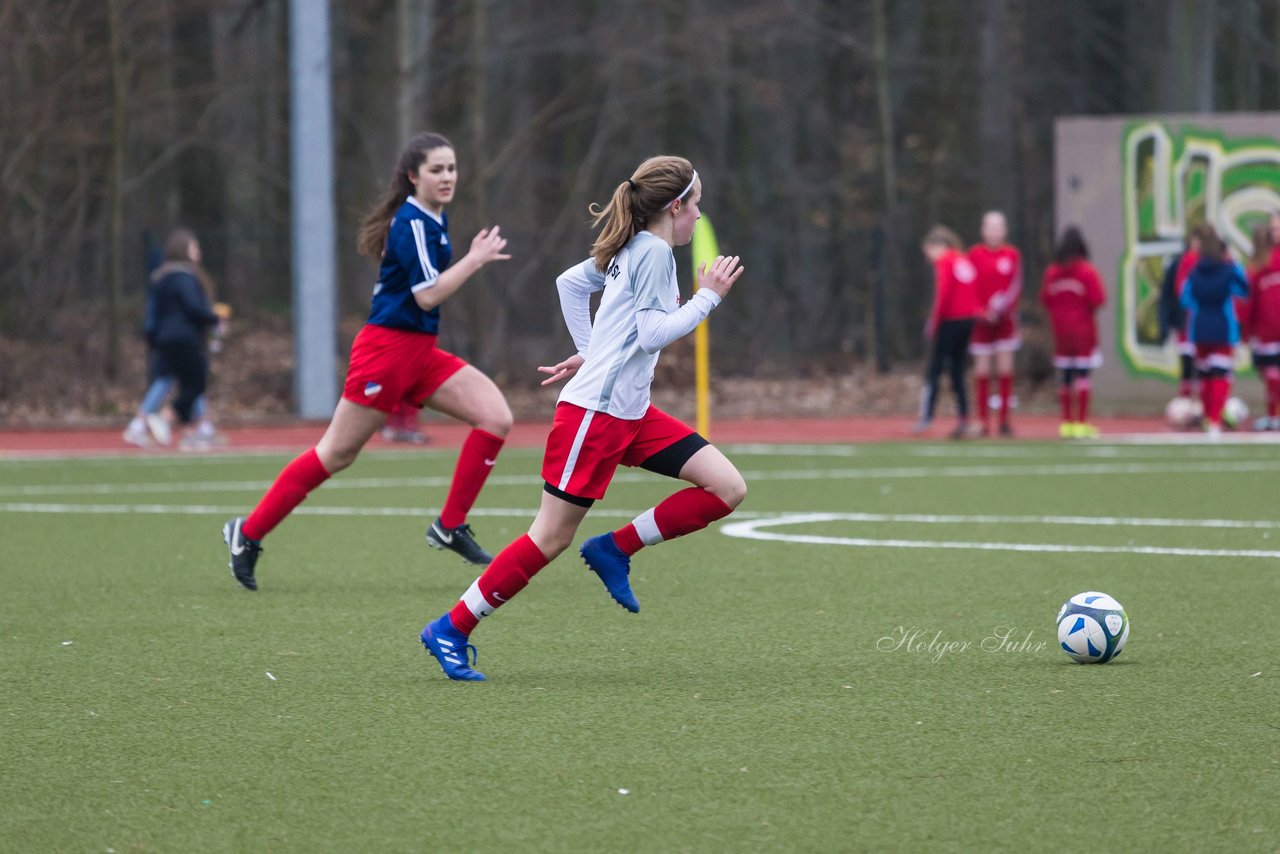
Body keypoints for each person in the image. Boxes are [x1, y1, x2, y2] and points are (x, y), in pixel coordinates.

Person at [417, 156, 746, 681]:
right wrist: (709, 297)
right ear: (676, 206)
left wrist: (593, 352)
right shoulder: (655, 252)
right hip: (595, 416)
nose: (700, 217)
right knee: (549, 537)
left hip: (630, 412)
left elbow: (572, 285)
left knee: (726, 487)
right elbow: (652, 333)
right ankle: (451, 628)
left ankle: (615, 548)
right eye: (697, 205)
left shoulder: (637, 246)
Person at [221, 132, 513, 590]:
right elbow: (427, 295)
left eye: (452, 168)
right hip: (386, 353)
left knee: (495, 417)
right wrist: (475, 260)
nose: (447, 177)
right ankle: (248, 533)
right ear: (413, 176)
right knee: (336, 453)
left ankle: (450, 526)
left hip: (419, 352)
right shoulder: (412, 222)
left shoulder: (434, 218)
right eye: (436, 169)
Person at [143, 229, 222, 447]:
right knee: (197, 382)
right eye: (194, 247)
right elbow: (193, 307)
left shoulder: (162, 276)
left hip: (166, 338)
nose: (198, 251)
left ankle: (189, 433)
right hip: (184, 338)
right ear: (184, 249)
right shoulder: (184, 276)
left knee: (185, 382)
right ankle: (164, 418)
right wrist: (214, 318)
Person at [1182, 224, 1249, 436]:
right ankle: (1214, 420)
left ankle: (1206, 417)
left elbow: (1186, 299)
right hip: (1222, 327)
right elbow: (1244, 289)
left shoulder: (1194, 272)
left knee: (1205, 374)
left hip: (1200, 326)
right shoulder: (1228, 271)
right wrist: (1235, 263)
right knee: (1221, 374)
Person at [913, 226, 980, 439]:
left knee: (935, 369)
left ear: (939, 246)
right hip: (968, 321)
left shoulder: (945, 262)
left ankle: (926, 417)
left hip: (951, 321)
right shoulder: (963, 260)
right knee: (957, 371)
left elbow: (944, 294)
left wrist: (934, 322)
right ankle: (963, 417)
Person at [1041, 226, 1106, 439]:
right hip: (1083, 331)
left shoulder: (1052, 272)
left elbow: (1045, 299)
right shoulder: (1087, 271)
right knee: (1083, 375)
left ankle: (1066, 422)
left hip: (1060, 332)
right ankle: (1081, 422)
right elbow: (1098, 299)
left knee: (1065, 377)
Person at [967, 211, 1022, 436]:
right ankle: (982, 421)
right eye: (989, 226)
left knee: (1005, 369)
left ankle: (1004, 421)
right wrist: (981, 312)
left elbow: (1016, 287)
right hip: (981, 323)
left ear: (1005, 230)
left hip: (1005, 322)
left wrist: (1001, 310)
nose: (994, 231)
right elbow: (968, 287)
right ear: (982, 229)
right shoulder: (974, 255)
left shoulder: (1012, 255)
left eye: (998, 226)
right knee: (981, 371)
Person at [1158, 228, 1202, 400]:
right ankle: (1185, 403)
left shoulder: (1210, 264)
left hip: (1204, 323)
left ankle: (1204, 407)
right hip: (1184, 323)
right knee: (1187, 367)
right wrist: (1165, 324)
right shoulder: (1178, 265)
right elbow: (1167, 296)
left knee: (1204, 368)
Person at [1247, 215, 1280, 430]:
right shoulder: (1262, 259)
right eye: (1272, 228)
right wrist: (1248, 329)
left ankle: (1274, 417)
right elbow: (1251, 298)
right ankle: (1273, 416)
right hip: (1267, 330)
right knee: (1269, 374)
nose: (1275, 232)